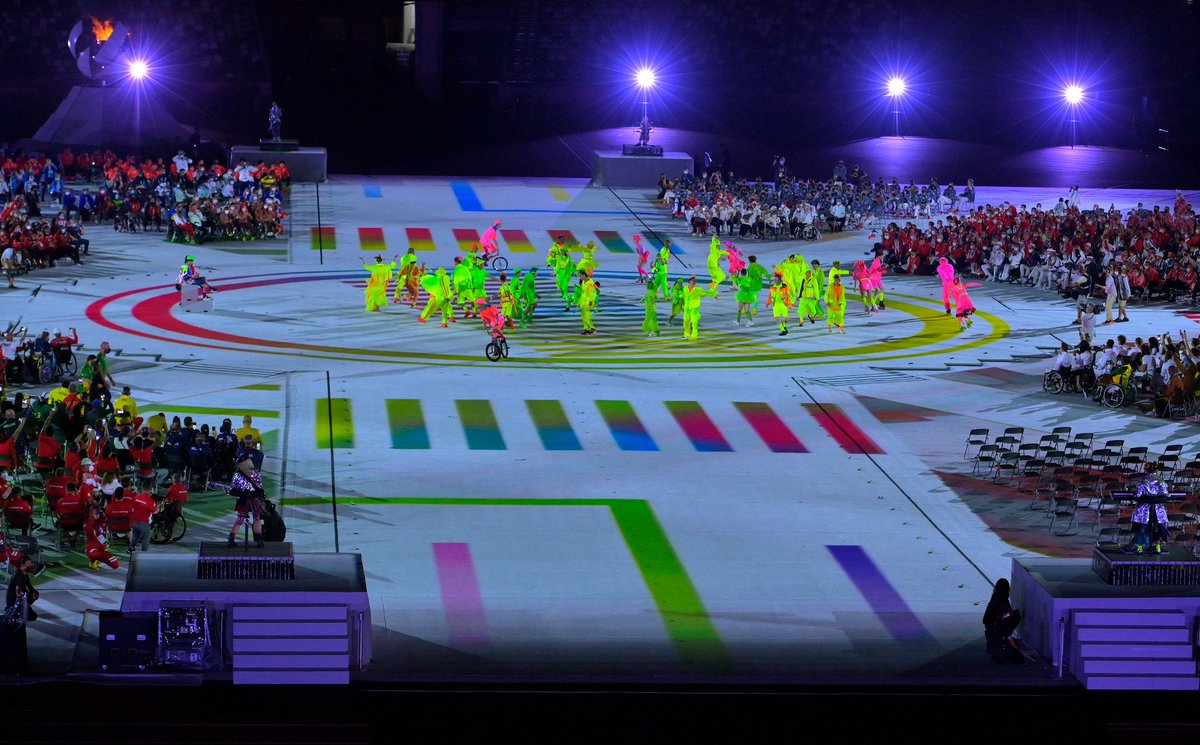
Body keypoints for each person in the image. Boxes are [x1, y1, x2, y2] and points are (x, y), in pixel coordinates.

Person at [2, 554, 37, 674]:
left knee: (34, 595)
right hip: (15, 601)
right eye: (29, 563)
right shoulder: (19, 575)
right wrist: (22, 599)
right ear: (24, 564)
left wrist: (32, 593)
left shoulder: (25, 575)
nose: (30, 565)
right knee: (30, 615)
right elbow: (18, 590)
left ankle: (27, 609)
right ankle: (17, 610)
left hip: (23, 598)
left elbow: (29, 586)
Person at [226, 450, 267, 548]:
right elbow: (260, 488)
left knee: (240, 519)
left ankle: (231, 539)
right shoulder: (255, 474)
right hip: (255, 500)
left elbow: (234, 490)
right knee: (257, 518)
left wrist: (231, 491)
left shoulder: (237, 475)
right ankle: (259, 540)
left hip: (243, 501)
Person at [982, 578, 1024, 663]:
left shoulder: (996, 597)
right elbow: (1003, 614)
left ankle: (1006, 647)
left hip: (993, 625)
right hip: (997, 625)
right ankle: (1009, 647)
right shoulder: (1001, 600)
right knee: (1015, 615)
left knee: (1012, 618)